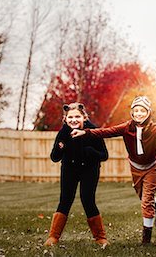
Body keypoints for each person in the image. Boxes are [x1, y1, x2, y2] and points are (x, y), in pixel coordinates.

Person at [71, 95, 156, 244]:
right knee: (143, 196)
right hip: (135, 168)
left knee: (146, 201)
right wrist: (85, 132)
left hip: (151, 167)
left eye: (142, 110)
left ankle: (146, 238)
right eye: (136, 111)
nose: (139, 114)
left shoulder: (153, 128)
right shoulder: (126, 127)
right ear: (132, 112)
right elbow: (106, 132)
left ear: (148, 112)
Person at [44, 103, 109, 248]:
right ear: (65, 119)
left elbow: (104, 155)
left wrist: (90, 151)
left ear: (84, 118)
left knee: (87, 199)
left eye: (77, 116)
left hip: (89, 170)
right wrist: (60, 147)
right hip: (69, 169)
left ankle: (100, 237)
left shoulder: (93, 131)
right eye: (70, 117)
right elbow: (55, 157)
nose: (74, 120)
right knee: (65, 200)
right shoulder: (63, 133)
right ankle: (53, 237)